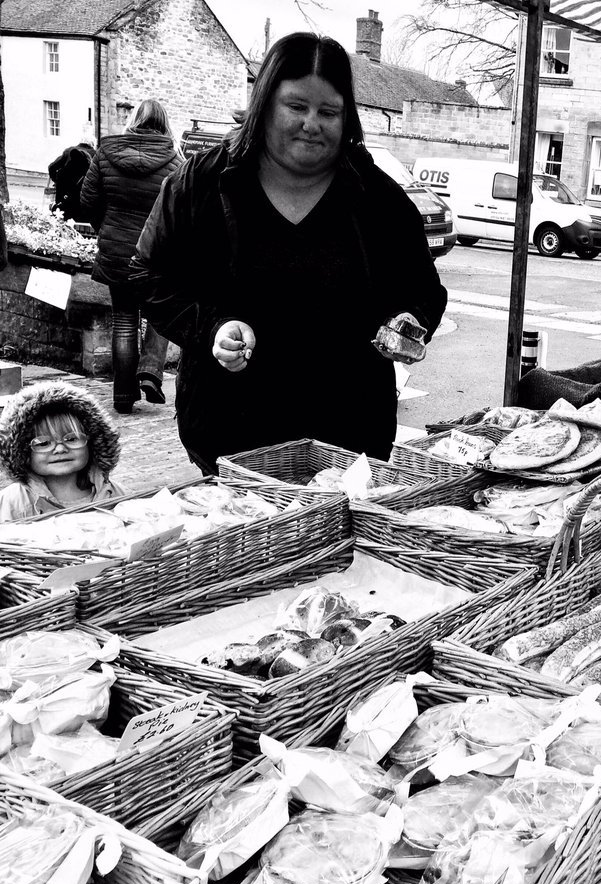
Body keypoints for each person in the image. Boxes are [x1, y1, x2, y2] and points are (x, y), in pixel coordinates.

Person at [132, 33, 447, 475]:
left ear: (347, 117)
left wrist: (409, 321)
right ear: (264, 105)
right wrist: (211, 329)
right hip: (231, 431)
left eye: (329, 112)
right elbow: (149, 274)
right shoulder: (202, 183)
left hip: (348, 435)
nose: (312, 123)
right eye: (296, 107)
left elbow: (423, 290)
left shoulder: (377, 198)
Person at [79, 99, 182, 414]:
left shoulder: (106, 154)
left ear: (134, 120)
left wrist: (106, 230)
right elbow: (180, 213)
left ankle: (123, 396)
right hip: (155, 257)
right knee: (163, 314)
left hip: (116, 254)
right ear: (165, 124)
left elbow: (88, 200)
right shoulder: (175, 162)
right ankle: (151, 370)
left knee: (124, 320)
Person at [0, 381, 123, 522]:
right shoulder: (12, 504)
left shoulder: (116, 494)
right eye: (43, 443)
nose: (60, 449)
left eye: (72, 439)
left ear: (93, 444)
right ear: (23, 452)